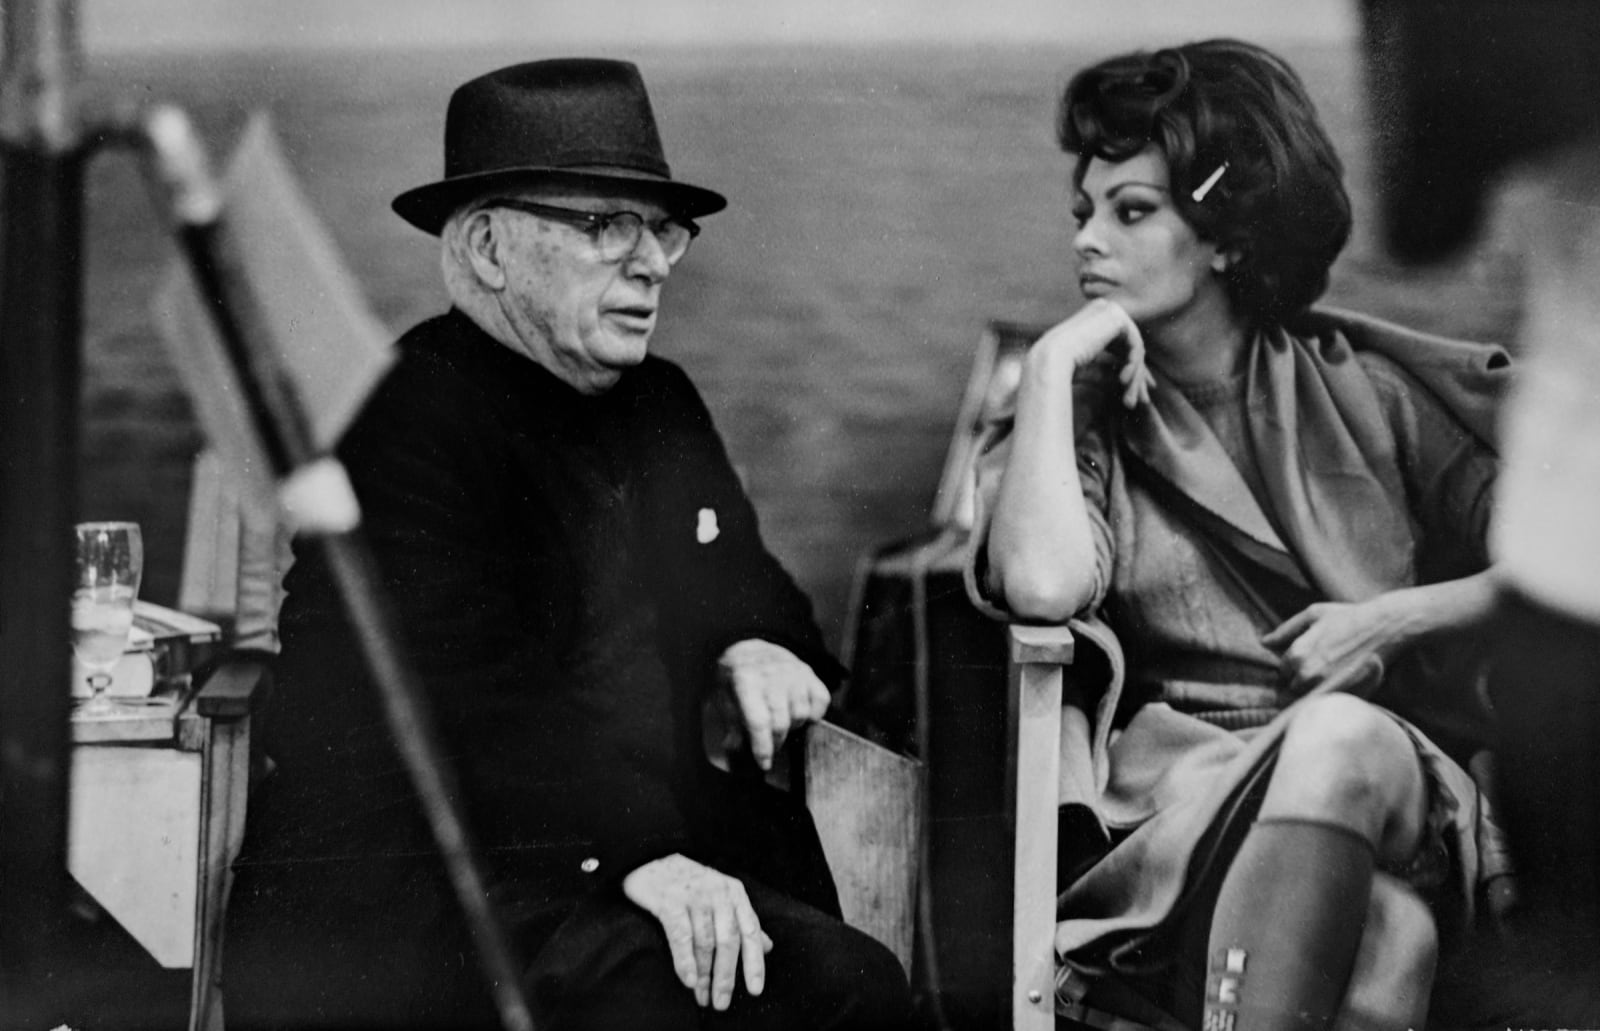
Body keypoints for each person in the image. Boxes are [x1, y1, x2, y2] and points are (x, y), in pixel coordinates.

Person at [223, 58, 912, 1030]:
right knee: (842, 993)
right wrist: (637, 858)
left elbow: (751, 587)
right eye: (603, 226)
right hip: (434, 895)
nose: (653, 262)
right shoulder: (403, 419)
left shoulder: (659, 404)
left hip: (612, 862)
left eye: (662, 228)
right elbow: (472, 701)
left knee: (844, 974)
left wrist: (754, 642)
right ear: (492, 246)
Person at [965, 39, 1513, 1031]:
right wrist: (1051, 369)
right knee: (1393, 940)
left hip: (1379, 773)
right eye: (1083, 212)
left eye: (1131, 211)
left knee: (1339, 736)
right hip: (1178, 805)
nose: (1089, 239)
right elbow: (1042, 584)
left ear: (1224, 234)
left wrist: (1392, 619)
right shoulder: (1077, 418)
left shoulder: (1368, 391)